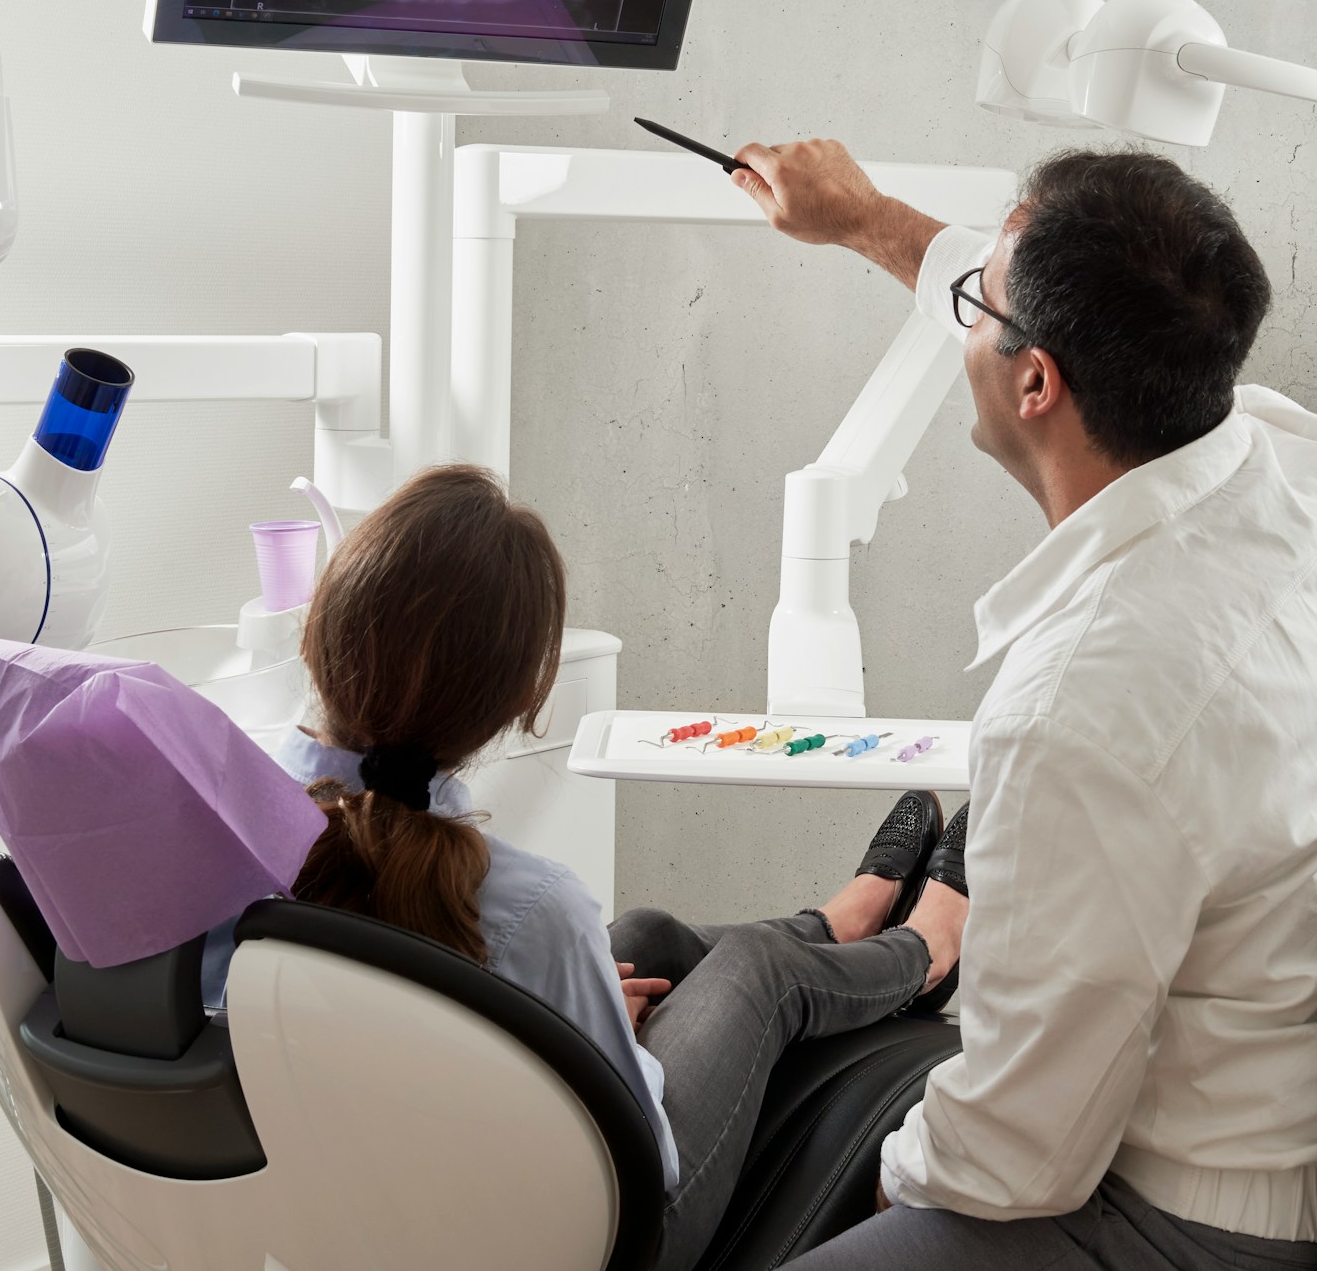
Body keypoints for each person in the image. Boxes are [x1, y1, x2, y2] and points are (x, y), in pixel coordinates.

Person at [723, 141, 1317, 1269]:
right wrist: (862, 219)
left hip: (1180, 1221)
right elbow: (1036, 293)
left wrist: (874, 1194)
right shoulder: (1305, 463)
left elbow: (1014, 1159)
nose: (968, 299)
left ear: (1038, 382)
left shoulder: (1084, 705)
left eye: (980, 300)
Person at [272, 462, 972, 1271]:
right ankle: (925, 951)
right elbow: (645, 1152)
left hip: (391, 1205)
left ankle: (839, 925)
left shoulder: (241, 833)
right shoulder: (534, 909)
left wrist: (578, 1023)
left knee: (644, 936)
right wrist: (606, 1058)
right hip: (599, 1238)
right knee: (755, 969)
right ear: (516, 704)